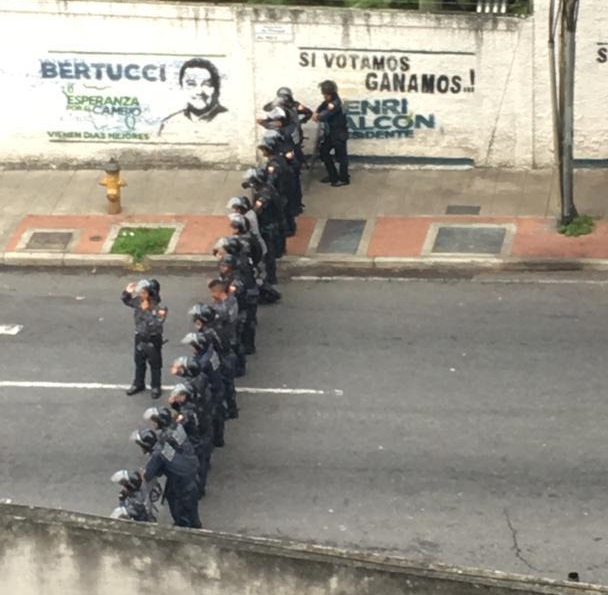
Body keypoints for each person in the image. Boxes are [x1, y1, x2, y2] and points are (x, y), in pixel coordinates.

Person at [131, 427, 202, 528]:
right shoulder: (163, 446)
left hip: (182, 488)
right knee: (191, 513)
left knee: (183, 517)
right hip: (189, 479)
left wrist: (141, 474)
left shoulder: (157, 455)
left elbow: (147, 476)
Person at [121, 279, 167, 399]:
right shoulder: (138, 301)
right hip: (140, 336)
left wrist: (146, 310)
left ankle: (156, 386)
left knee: (155, 363)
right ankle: (138, 383)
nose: (140, 295)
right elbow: (126, 301)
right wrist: (127, 292)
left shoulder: (158, 308)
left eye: (143, 292)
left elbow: (156, 324)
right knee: (139, 361)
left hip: (153, 338)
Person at [158, 58, 228, 137]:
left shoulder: (231, 121)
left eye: (207, 84)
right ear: (181, 87)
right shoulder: (169, 125)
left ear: (215, 88)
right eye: (191, 84)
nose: (199, 91)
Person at [169, 382, 213, 498]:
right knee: (203, 463)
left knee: (197, 469)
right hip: (203, 436)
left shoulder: (186, 414)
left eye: (178, 395)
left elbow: (177, 426)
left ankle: (199, 491)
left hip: (195, 442)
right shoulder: (196, 404)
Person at [313, 80, 350, 187]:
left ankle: (344, 178)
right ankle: (333, 175)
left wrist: (318, 116)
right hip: (331, 133)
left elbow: (326, 114)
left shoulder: (335, 103)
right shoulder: (330, 101)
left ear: (330, 93)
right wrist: (316, 112)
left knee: (342, 156)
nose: (324, 96)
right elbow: (322, 106)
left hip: (339, 134)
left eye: (325, 94)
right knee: (324, 152)